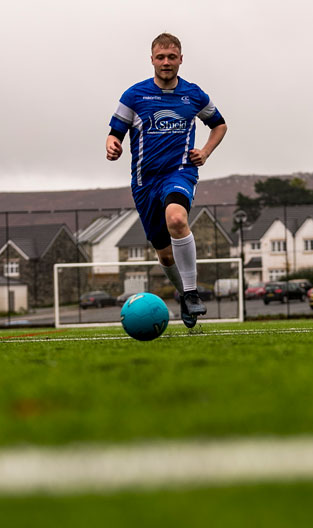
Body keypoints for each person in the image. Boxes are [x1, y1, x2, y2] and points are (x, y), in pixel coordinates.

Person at [106, 33, 227, 329]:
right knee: (163, 252)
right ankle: (183, 294)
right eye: (160, 57)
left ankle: (190, 292)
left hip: (180, 172)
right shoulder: (134, 96)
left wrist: (205, 152)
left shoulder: (193, 95)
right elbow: (115, 132)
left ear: (181, 59)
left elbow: (219, 125)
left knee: (177, 219)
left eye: (172, 57)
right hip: (144, 182)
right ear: (152, 60)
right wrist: (112, 144)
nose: (166, 63)